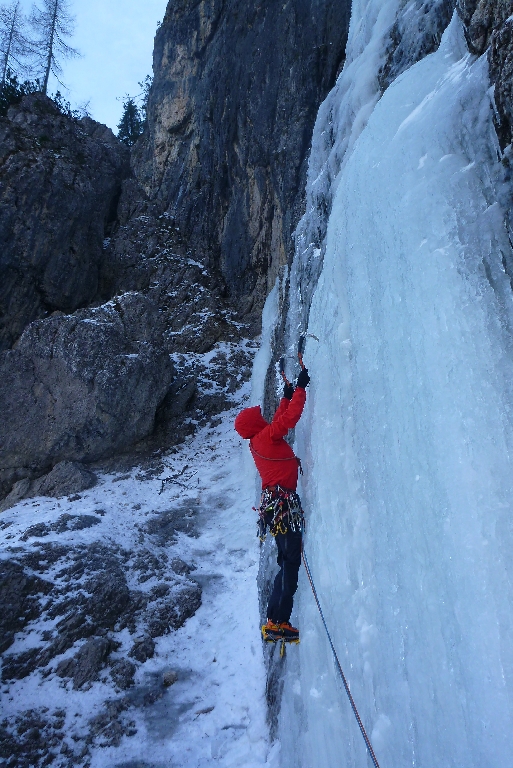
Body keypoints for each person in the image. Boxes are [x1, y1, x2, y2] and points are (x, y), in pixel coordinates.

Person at [234, 367, 310, 641]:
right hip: (282, 506)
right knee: (290, 563)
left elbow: (279, 419)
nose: (264, 420)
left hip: (276, 507)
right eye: (259, 419)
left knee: (286, 561)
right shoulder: (264, 437)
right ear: (255, 425)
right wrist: (300, 388)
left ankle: (275, 620)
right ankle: (279, 622)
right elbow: (288, 421)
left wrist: (286, 396)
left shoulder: (259, 439)